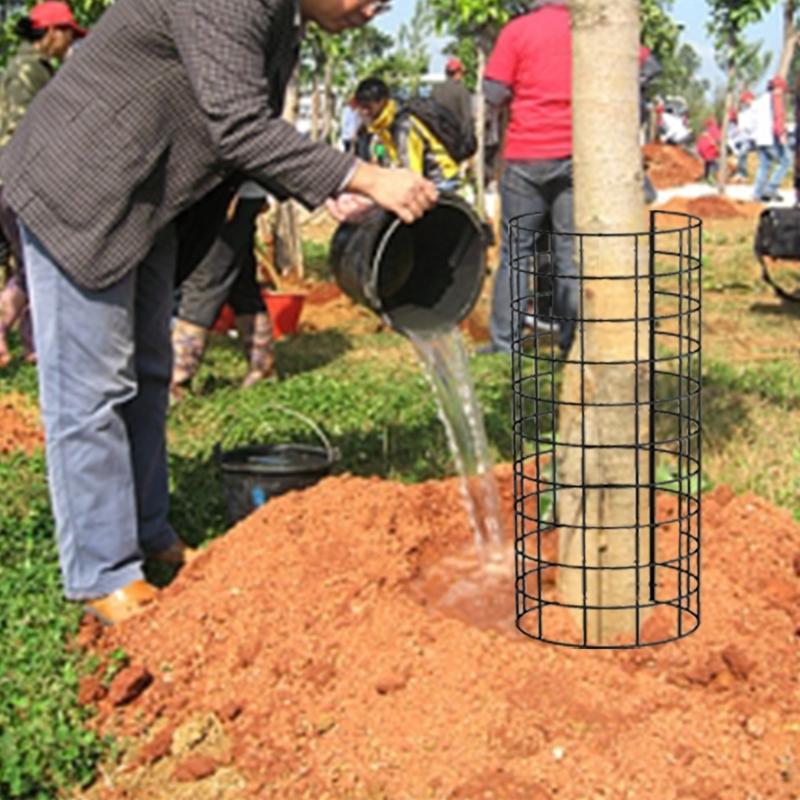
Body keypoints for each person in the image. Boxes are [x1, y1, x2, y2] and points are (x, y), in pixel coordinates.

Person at [0, 0, 438, 624]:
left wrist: (331, 188)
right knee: (91, 389)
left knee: (149, 374)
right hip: (82, 186)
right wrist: (362, 172)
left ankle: (148, 533)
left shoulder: (284, 18)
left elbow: (239, 133)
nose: (375, 8)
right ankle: (101, 571)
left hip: (144, 199)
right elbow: (236, 125)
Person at [481, 0, 576, 355]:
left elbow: (494, 92)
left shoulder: (517, 31)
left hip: (526, 155)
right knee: (569, 252)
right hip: (576, 155)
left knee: (516, 253)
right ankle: (573, 342)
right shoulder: (590, 28)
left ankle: (505, 343)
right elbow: (647, 66)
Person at [0, 1, 84, 368]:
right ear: (52, 32)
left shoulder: (33, 68)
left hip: (13, 181)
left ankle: (35, 346)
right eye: (68, 35)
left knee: (28, 264)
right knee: (36, 265)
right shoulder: (28, 72)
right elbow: (24, 135)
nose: (69, 44)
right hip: (19, 183)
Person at [171, 184, 276, 403]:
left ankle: (176, 381)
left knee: (204, 282)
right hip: (239, 192)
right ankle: (262, 368)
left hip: (227, 193)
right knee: (240, 283)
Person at [355, 76, 461, 190]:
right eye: (361, 107)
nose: (364, 112)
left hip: (440, 181)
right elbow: (382, 150)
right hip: (424, 180)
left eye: (368, 106)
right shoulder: (382, 126)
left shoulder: (404, 126)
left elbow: (412, 174)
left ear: (382, 101)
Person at [753, 76, 791, 202]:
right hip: (771, 137)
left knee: (764, 166)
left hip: (760, 138)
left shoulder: (760, 99)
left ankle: (757, 194)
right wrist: (781, 134)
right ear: (779, 88)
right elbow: (778, 118)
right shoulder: (776, 98)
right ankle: (772, 188)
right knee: (785, 161)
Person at [431, 57, 474, 139]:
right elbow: (467, 119)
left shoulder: (436, 89)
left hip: (438, 136)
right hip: (454, 137)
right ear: (458, 73)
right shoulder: (462, 91)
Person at [731, 90, 756, 179]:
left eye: (744, 101)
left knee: (742, 152)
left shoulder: (754, 110)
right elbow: (740, 126)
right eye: (742, 101)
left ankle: (743, 173)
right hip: (743, 137)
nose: (743, 103)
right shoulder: (742, 112)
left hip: (752, 137)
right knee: (740, 153)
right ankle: (740, 172)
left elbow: (753, 125)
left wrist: (745, 128)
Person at [697, 117, 721, 182]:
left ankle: (705, 178)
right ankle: (711, 177)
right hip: (709, 150)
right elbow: (718, 139)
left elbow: (699, 144)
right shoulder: (715, 129)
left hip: (702, 149)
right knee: (715, 165)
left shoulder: (706, 131)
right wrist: (718, 148)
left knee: (707, 164)